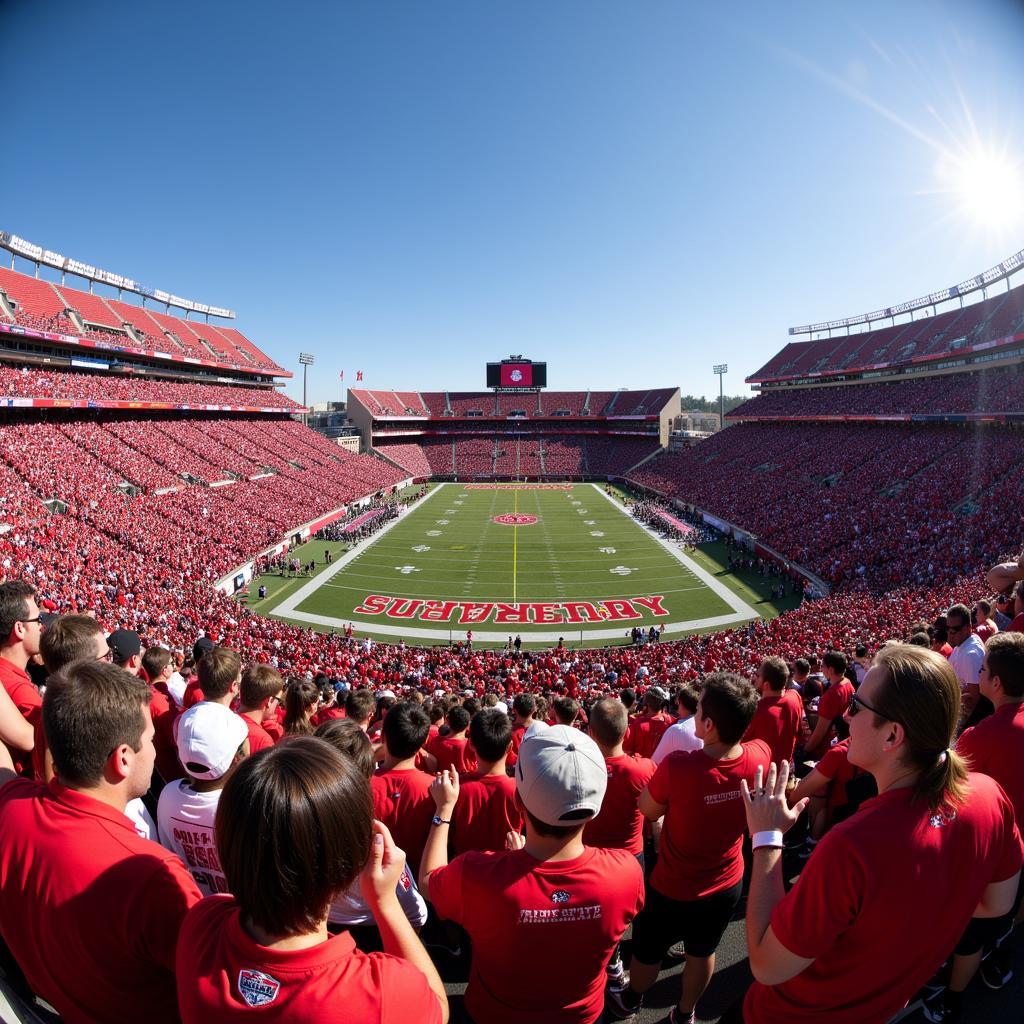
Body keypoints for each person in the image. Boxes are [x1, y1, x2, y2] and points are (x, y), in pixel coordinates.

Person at [733, 645, 1021, 1024]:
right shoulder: (989, 795)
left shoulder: (853, 847)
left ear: (892, 736)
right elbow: (998, 903)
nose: (849, 719)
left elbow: (767, 966)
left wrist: (767, 838)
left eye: (858, 708)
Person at [175, 737, 447, 1023]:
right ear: (354, 859)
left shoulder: (201, 923)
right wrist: (385, 901)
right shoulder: (381, 991)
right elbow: (438, 1008)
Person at [0, 660, 202, 1023]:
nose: (155, 751)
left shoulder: (10, 810)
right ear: (123, 759)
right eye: (150, 740)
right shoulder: (153, 876)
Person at [419, 725, 644, 1024]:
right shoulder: (627, 872)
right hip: (584, 1015)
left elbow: (428, 882)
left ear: (518, 802)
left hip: (493, 1014)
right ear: (594, 808)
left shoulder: (477, 874)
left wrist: (443, 810)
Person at [611, 673, 771, 1024]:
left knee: (647, 953)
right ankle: (685, 1013)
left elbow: (648, 809)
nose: (692, 715)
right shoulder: (759, 755)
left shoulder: (680, 766)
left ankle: (632, 999)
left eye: (697, 711)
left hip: (674, 883)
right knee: (703, 951)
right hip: (728, 878)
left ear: (710, 724)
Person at [316, 718, 428, 944]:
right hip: (371, 940)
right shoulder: (378, 844)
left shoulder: (286, 826)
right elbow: (416, 915)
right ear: (367, 778)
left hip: (312, 936)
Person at [157, 702, 250, 896]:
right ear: (238, 755)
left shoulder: (168, 795)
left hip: (194, 906)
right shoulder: (245, 808)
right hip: (239, 916)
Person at [372, 702, 436, 876]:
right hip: (418, 880)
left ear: (383, 737)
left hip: (373, 881)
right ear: (424, 741)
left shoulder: (360, 787)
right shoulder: (437, 789)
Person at [450, 708, 523, 854]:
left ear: (471, 744)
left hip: (464, 871)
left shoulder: (454, 789)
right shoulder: (521, 790)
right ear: (510, 747)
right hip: (507, 871)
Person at [0, 580, 43, 776]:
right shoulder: (20, 690)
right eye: (38, 619)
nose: (41, 627)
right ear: (19, 628)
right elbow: (34, 740)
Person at [745, 657, 803, 765]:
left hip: (763, 775)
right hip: (786, 768)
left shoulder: (755, 712)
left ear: (766, 685)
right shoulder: (795, 696)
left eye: (757, 675)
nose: (754, 677)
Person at [802, 651, 852, 759]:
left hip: (827, 751)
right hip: (844, 743)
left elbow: (820, 731)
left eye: (823, 666)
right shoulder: (847, 682)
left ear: (831, 670)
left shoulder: (831, 695)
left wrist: (806, 749)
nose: (821, 669)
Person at [947, 603, 988, 727]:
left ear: (967, 628)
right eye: (948, 628)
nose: (950, 633)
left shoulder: (970, 655)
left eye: (954, 630)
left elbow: (973, 700)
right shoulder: (966, 642)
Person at [237, 663, 284, 753]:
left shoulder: (222, 720)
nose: (278, 704)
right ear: (270, 701)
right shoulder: (263, 741)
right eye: (278, 700)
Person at [651, 683, 703, 763]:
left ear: (681, 703)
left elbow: (655, 762)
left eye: (678, 701)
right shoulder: (706, 725)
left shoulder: (677, 729)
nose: (675, 702)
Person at [623, 685, 673, 759]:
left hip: (642, 766)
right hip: (662, 765)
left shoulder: (636, 724)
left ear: (647, 703)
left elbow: (628, 751)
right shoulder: (669, 720)